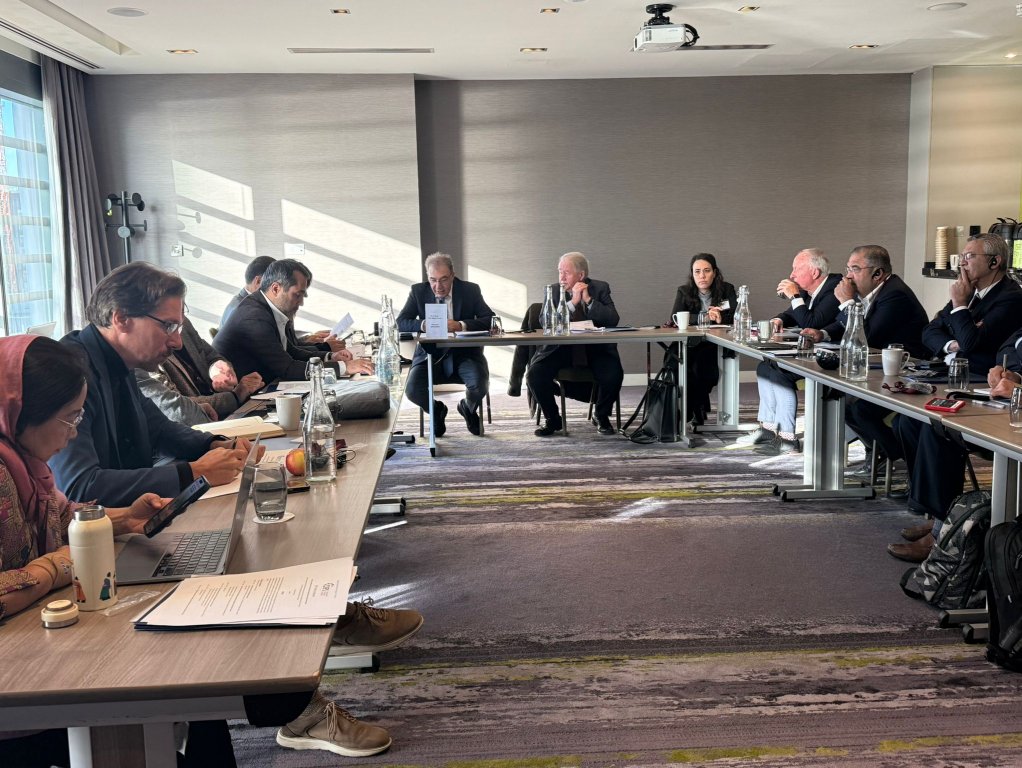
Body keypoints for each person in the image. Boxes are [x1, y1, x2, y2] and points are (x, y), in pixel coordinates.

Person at [0, 334, 241, 767]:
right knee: (163, 681)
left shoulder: (26, 466)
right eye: (69, 419)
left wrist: (124, 518)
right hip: (16, 689)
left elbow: (65, 515)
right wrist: (56, 567)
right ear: (21, 413)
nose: (73, 434)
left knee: (189, 685)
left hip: (34, 646)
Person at [49, 263, 256, 508]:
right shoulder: (69, 372)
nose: (177, 342)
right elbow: (79, 488)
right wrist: (194, 472)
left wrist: (214, 444)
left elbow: (159, 429)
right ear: (121, 318)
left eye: (178, 328)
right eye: (168, 326)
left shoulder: (120, 362)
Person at [737, 248, 841, 454]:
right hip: (811, 353)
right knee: (764, 367)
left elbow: (811, 322)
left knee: (780, 372)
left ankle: (788, 439)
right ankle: (767, 428)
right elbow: (792, 313)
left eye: (796, 269)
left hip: (831, 359)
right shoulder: (811, 291)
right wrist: (779, 319)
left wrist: (794, 294)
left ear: (814, 272)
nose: (792, 275)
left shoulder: (833, 289)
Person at [213, 258, 373, 384]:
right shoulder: (254, 317)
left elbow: (291, 352)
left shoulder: (266, 308)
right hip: (242, 400)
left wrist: (330, 356)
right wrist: (345, 367)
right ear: (276, 289)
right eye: (297, 295)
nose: (301, 303)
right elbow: (287, 368)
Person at [396, 252, 494, 436]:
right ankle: (437, 410)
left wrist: (461, 325)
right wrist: (423, 324)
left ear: (453, 275)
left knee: (479, 385)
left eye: (443, 280)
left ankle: (467, 408)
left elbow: (490, 319)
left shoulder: (470, 290)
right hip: (430, 355)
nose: (438, 286)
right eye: (433, 280)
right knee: (412, 390)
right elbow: (401, 322)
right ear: (427, 277)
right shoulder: (418, 291)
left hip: (464, 354)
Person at [528, 252, 623, 437]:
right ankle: (553, 419)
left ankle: (601, 415)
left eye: (567, 273)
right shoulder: (554, 290)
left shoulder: (600, 288)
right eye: (560, 272)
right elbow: (545, 322)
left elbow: (613, 319)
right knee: (535, 374)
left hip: (594, 349)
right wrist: (572, 303)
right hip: (560, 349)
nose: (562, 277)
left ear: (581, 275)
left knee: (614, 374)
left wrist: (588, 300)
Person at [136, 316, 264, 426]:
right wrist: (235, 396)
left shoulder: (182, 321)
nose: (179, 343)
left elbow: (210, 354)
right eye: (170, 326)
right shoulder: (143, 355)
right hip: (203, 425)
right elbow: (177, 408)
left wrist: (217, 370)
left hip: (223, 418)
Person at [667, 253, 737, 426]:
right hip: (688, 342)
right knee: (672, 362)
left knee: (700, 368)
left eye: (706, 271)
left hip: (714, 343)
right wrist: (705, 317)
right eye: (697, 272)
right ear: (692, 274)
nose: (702, 276)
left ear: (715, 272)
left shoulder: (727, 289)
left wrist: (720, 318)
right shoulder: (684, 291)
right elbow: (676, 317)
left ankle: (691, 410)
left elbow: (735, 316)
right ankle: (694, 407)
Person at [221, 255, 275, 326]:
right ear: (258, 281)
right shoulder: (246, 312)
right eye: (273, 283)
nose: (275, 290)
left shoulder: (240, 302)